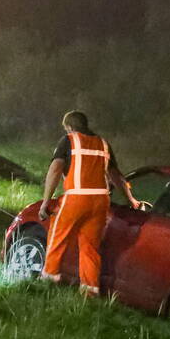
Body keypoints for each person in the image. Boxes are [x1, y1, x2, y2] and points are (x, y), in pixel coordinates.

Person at [39, 110, 139, 296]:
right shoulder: (104, 144)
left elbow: (55, 169)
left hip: (77, 197)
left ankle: (49, 278)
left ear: (69, 127)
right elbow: (116, 175)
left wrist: (46, 202)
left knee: (58, 236)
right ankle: (90, 291)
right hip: (101, 201)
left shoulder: (68, 140)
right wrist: (131, 199)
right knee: (90, 247)